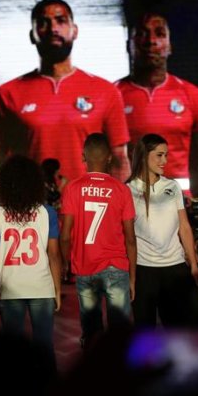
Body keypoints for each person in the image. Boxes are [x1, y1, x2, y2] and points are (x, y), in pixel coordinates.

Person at [0, 0, 131, 213]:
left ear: (75, 30)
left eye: (60, 20)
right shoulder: (8, 94)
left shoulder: (106, 91)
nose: (53, 28)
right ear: (32, 35)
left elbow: (119, 161)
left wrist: (122, 220)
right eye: (43, 22)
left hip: (90, 218)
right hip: (28, 220)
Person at [115, 13, 198, 200]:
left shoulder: (195, 96)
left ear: (169, 46)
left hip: (180, 206)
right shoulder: (113, 96)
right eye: (142, 34)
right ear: (129, 45)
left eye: (159, 34)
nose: (151, 41)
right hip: (130, 206)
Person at [60, 133, 137, 348]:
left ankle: (93, 377)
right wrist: (132, 277)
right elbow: (130, 238)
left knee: (92, 333)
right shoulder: (122, 190)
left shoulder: (73, 188)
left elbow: (65, 235)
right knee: (120, 334)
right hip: (116, 267)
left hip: (85, 269)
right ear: (110, 158)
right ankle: (120, 378)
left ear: (83, 157)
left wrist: (66, 264)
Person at [0, 155, 62, 362]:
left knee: (11, 350)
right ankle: (48, 389)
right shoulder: (48, 213)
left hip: (10, 288)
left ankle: (16, 392)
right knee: (44, 346)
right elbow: (53, 255)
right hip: (41, 287)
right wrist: (57, 289)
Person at [127, 133, 198, 328]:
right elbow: (125, 236)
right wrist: (130, 275)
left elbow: (184, 227)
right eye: (159, 155)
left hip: (175, 269)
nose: (165, 161)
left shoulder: (173, 186)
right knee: (145, 335)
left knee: (179, 331)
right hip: (144, 270)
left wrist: (193, 263)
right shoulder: (127, 189)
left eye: (166, 155)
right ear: (144, 156)